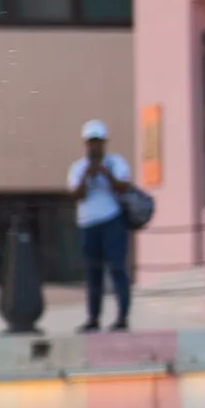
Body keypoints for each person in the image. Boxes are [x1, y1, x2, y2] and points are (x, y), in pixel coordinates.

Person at [68, 119, 133, 332]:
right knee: (93, 272)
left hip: (112, 220)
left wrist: (105, 173)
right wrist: (88, 173)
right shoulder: (78, 168)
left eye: (98, 142)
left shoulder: (116, 162)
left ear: (104, 143)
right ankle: (93, 318)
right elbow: (76, 195)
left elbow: (123, 187)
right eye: (90, 142)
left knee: (117, 268)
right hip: (88, 224)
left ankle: (122, 316)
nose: (94, 147)